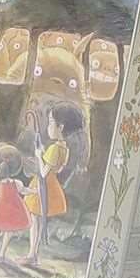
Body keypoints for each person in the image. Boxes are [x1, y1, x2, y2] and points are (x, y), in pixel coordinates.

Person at [23, 104, 85, 265]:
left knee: (35, 221)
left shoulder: (54, 148)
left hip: (43, 186)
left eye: (51, 122)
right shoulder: (64, 148)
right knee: (37, 220)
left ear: (61, 127)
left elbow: (43, 172)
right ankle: (33, 254)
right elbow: (58, 168)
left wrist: (39, 155)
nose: (48, 126)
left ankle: (32, 255)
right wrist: (44, 153)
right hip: (52, 184)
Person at [0, 144, 36, 265]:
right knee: (9, 231)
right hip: (13, 209)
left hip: (1, 209)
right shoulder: (17, 182)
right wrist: (34, 191)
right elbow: (24, 190)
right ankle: (1, 255)